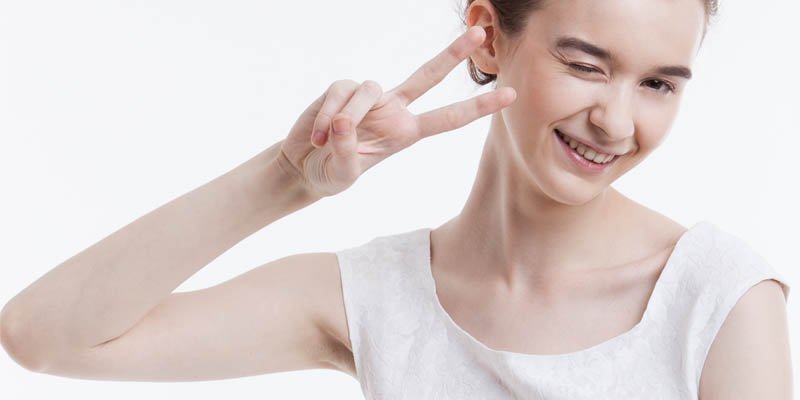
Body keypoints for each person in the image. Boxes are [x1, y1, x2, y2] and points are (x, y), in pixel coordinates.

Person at [0, 0, 792, 398]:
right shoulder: (377, 297)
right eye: (586, 66)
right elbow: (45, 336)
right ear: (489, 35)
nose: (616, 122)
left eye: (658, 85)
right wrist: (286, 179)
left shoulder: (717, 297)